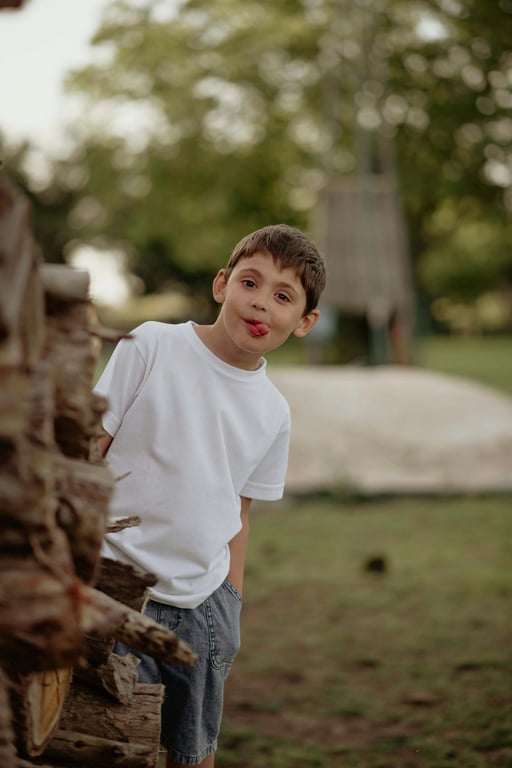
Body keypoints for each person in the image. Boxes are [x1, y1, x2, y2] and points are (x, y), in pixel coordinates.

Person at [95, 223, 326, 767]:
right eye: (251, 282)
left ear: (304, 322)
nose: (261, 303)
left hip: (202, 611)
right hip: (116, 589)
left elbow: (239, 513)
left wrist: (231, 606)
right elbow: (90, 450)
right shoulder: (151, 344)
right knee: (110, 745)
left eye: (283, 296)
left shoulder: (273, 412)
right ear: (222, 284)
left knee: (192, 754)